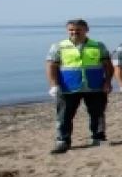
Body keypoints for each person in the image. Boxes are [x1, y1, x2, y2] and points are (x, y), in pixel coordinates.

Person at [45, 19, 113, 154]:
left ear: (86, 30)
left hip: (95, 86)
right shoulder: (59, 46)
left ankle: (98, 137)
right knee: (64, 115)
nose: (74, 32)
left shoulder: (98, 46)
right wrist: (54, 85)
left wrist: (107, 82)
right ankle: (63, 141)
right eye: (71, 30)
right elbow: (51, 66)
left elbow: (107, 65)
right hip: (68, 87)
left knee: (97, 114)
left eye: (78, 29)